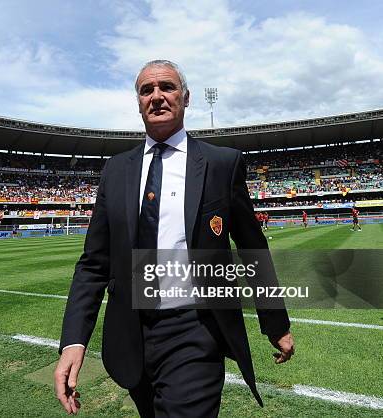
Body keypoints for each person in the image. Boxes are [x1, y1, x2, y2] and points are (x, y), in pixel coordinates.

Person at [54, 60, 294, 417]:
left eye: (166, 87)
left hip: (195, 329)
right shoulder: (116, 170)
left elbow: (251, 246)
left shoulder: (221, 163)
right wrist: (74, 341)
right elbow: (94, 263)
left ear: (186, 97)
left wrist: (275, 322)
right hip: (131, 334)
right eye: (146, 90)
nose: (156, 96)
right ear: (138, 102)